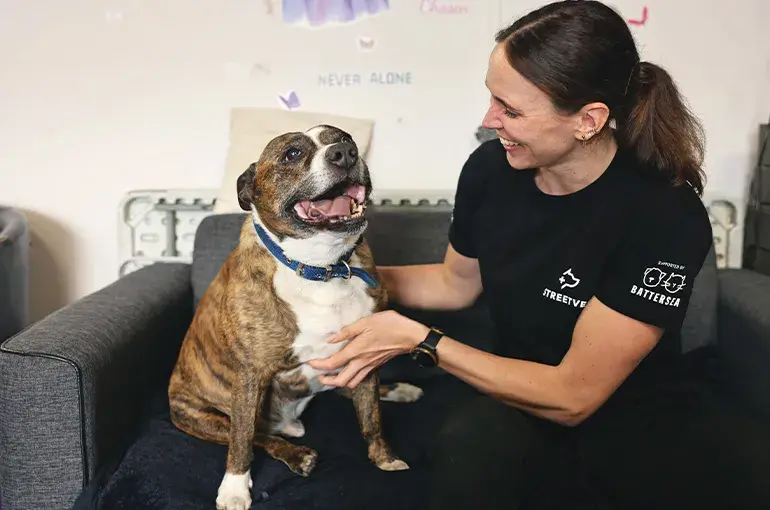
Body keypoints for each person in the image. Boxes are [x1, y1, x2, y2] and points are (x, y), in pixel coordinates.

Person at [308, 1, 770, 508]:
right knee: (464, 457)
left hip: (631, 411)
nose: (489, 120)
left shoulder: (663, 213)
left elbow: (573, 397)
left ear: (588, 120)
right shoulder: (490, 169)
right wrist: (333, 277)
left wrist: (421, 340)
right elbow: (454, 285)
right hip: (514, 393)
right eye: (491, 98)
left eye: (511, 110)